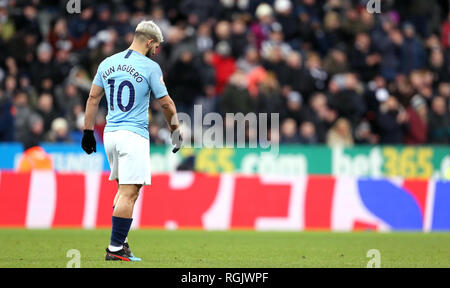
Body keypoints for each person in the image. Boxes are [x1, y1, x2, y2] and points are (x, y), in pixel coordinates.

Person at [81, 20, 182, 262]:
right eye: (156, 46)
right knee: (130, 192)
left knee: (122, 190)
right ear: (149, 42)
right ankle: (115, 249)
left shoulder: (108, 63)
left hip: (110, 134)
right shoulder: (149, 67)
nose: (156, 51)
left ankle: (122, 244)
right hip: (132, 135)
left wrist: (87, 132)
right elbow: (166, 103)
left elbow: (93, 97)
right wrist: (175, 130)